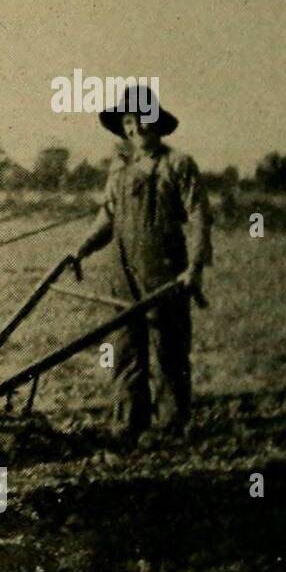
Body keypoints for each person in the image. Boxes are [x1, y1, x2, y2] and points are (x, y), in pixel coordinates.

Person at [71, 85, 212, 448]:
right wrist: (81, 249)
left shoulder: (177, 164)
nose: (135, 129)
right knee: (125, 348)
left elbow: (198, 217)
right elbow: (108, 216)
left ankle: (169, 428)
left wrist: (194, 267)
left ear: (158, 124)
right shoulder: (119, 169)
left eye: (142, 120)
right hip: (122, 271)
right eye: (129, 122)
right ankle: (128, 424)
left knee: (168, 348)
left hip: (164, 270)